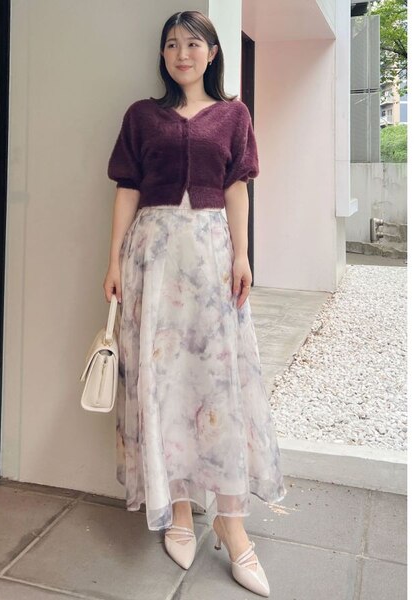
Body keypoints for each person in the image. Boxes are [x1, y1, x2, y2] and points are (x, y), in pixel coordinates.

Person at [103, 10, 286, 597]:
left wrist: (243, 254)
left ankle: (232, 526)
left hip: (210, 258)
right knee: (163, 381)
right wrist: (114, 262)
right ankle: (178, 508)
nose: (182, 53)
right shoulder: (141, 116)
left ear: (211, 53)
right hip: (153, 261)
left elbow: (237, 186)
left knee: (218, 383)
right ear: (163, 55)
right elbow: (127, 188)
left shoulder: (233, 115)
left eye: (193, 44)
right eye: (172, 45)